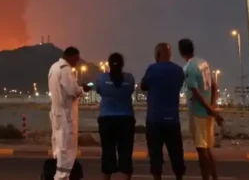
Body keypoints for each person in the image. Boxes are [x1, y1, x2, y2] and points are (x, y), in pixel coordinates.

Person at [178, 38, 224, 180]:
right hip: (208, 112)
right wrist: (212, 107)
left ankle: (206, 177)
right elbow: (215, 86)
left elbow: (196, 93)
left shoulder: (188, 68)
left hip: (198, 113)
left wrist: (210, 110)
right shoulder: (204, 63)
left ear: (181, 52)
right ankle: (214, 177)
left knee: (201, 151)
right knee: (207, 149)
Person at [140, 43, 186, 180]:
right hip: (173, 120)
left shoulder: (152, 69)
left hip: (154, 119)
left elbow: (143, 86)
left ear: (157, 54)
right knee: (176, 154)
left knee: (155, 156)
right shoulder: (178, 71)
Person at [48, 46, 90, 180]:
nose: (76, 63)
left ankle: (60, 174)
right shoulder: (65, 70)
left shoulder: (53, 68)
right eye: (76, 60)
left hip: (56, 115)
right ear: (70, 56)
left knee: (59, 148)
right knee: (66, 150)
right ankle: (61, 177)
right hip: (66, 117)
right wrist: (82, 89)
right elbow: (73, 91)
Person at [95, 53, 136, 180]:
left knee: (107, 153)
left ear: (108, 64)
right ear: (123, 64)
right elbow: (130, 91)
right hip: (126, 120)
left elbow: (99, 91)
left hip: (106, 119)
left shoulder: (101, 78)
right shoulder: (129, 78)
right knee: (125, 154)